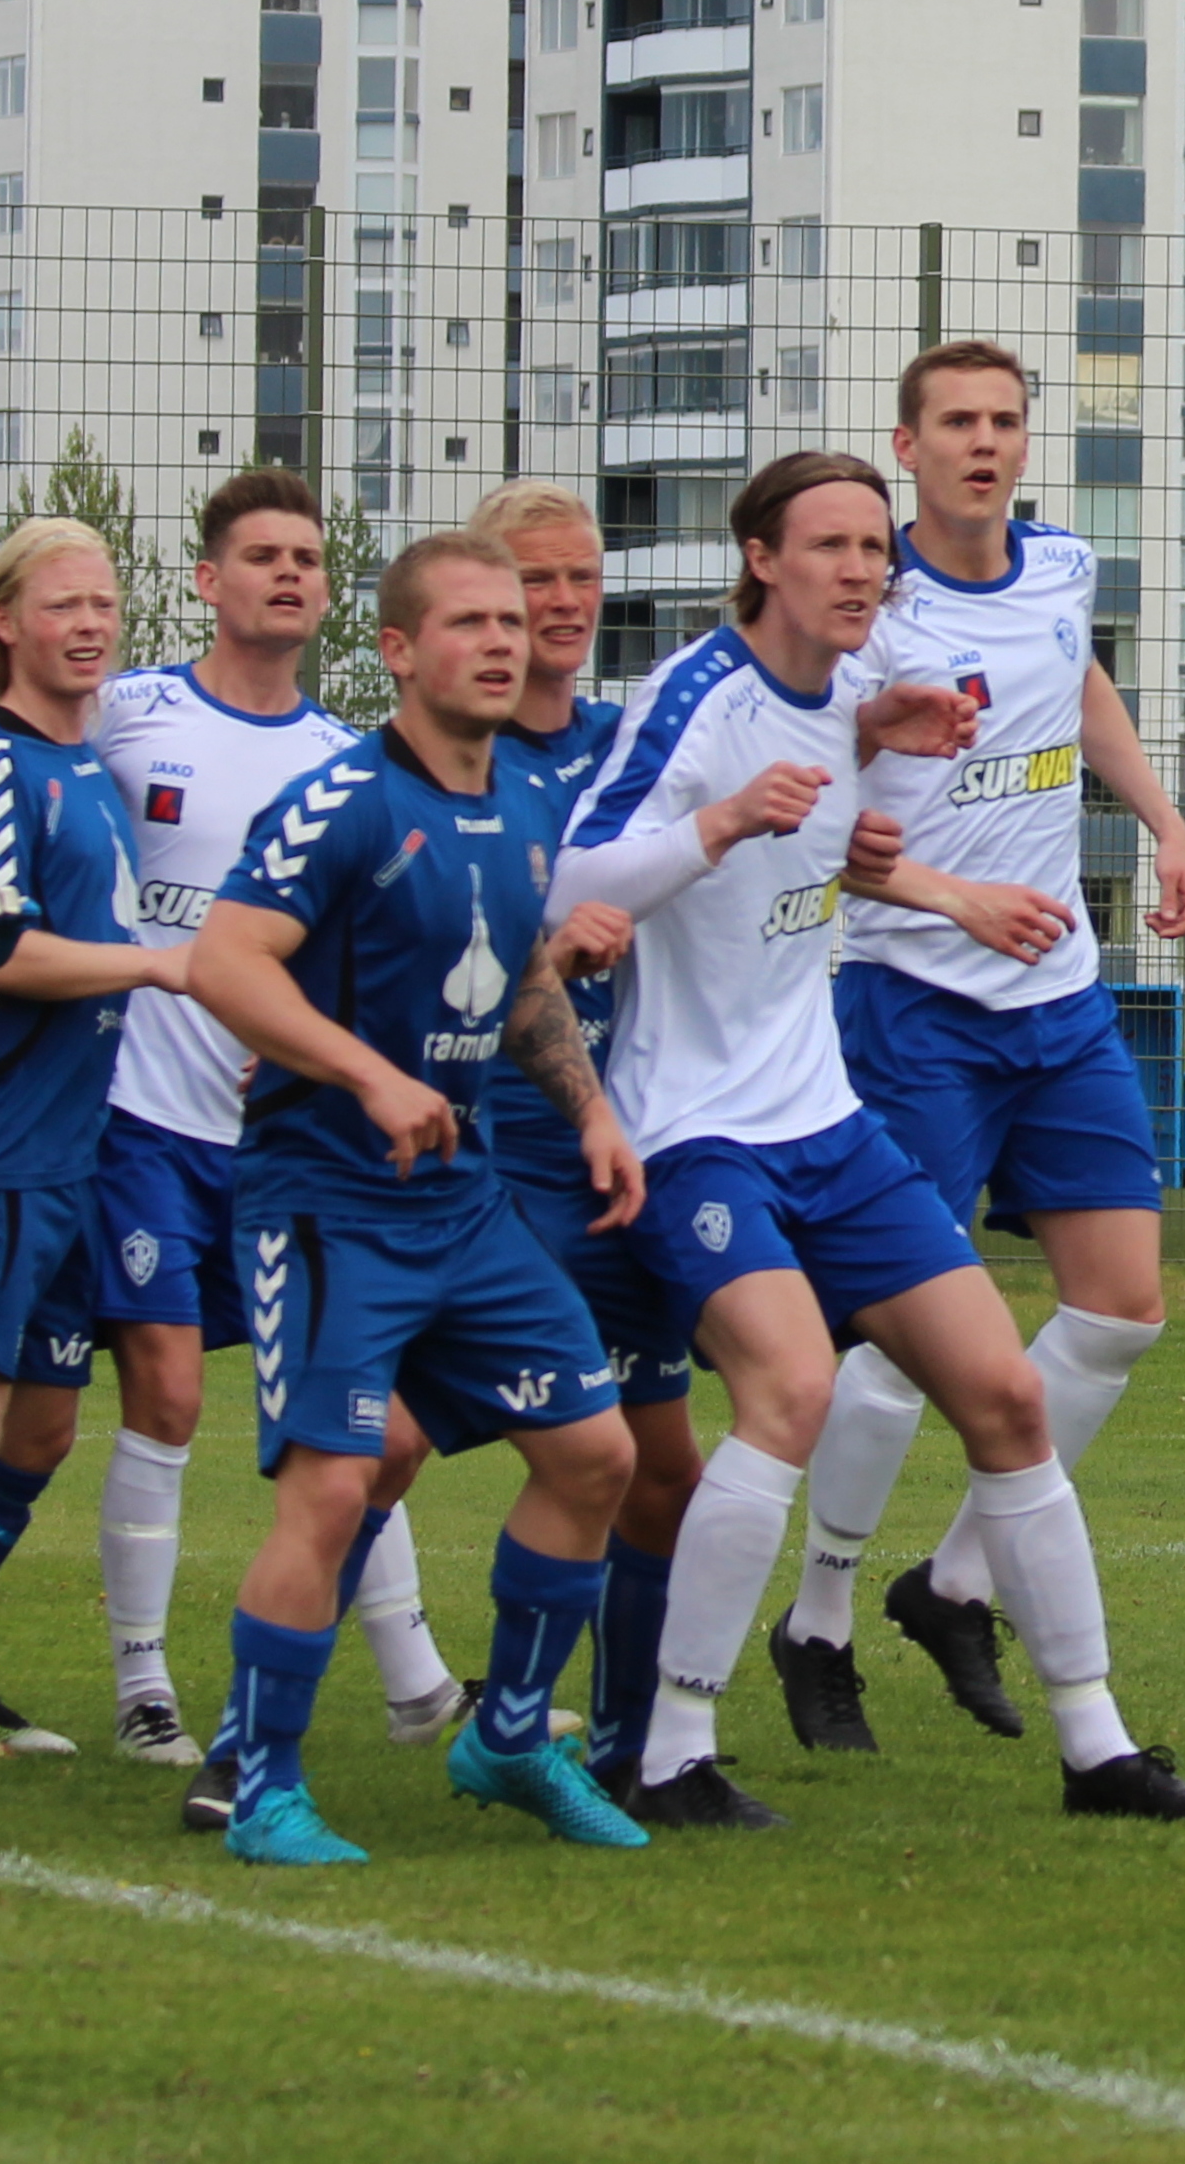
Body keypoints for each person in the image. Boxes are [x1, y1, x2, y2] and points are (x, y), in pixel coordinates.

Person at [551, 451, 1185, 1830]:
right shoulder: (694, 694)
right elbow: (570, 875)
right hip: (696, 1131)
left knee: (1010, 1397)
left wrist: (895, 784)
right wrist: (718, 821)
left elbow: (841, 846)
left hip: (826, 1121)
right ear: (761, 559)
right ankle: (672, 1752)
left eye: (874, 546)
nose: (862, 569)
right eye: (831, 546)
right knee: (790, 1389)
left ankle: (1097, 1748)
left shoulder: (851, 693)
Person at [181, 534, 651, 1864]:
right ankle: (262, 1786)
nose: (503, 640)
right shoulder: (341, 802)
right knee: (335, 1485)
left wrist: (592, 1109)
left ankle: (508, 1736)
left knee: (595, 1454)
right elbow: (223, 961)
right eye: (468, 622)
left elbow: (520, 977)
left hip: (464, 1200)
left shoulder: (523, 804)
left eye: (512, 620)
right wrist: (368, 1075)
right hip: (326, 1201)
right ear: (396, 650)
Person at [775, 342, 1185, 1761]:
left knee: (1121, 1309)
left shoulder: (1063, 565)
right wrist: (953, 898)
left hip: (1061, 1001)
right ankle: (818, 1616)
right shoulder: (871, 606)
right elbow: (817, 829)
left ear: (1027, 441)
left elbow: (1081, 691)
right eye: (956, 421)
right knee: (902, 1336)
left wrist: (1163, 819)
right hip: (914, 1003)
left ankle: (954, 1581)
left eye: (1005, 420)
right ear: (905, 446)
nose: (984, 441)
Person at [88, 473, 462, 1787]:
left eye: (307, 556)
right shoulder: (129, 712)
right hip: (140, 1115)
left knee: (351, 1406)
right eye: (261, 555)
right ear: (208, 580)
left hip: (282, 1135)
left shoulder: (346, 760)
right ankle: (142, 1684)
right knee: (168, 1390)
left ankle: (415, 1674)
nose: (290, 574)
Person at [464, 482, 701, 1785]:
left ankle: (620, 1743)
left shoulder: (632, 746)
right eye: (528, 581)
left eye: (577, 577)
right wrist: (548, 947)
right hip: (487, 1149)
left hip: (628, 1150)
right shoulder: (450, 755)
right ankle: (253, 1747)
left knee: (659, 1468)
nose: (558, 604)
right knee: (376, 1449)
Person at [0, 519, 197, 1759]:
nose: (91, 624)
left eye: (103, 603)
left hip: (74, 1150)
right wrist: (159, 966)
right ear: (5, 622)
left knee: (41, 1427)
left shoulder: (88, 761)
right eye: (62, 605)